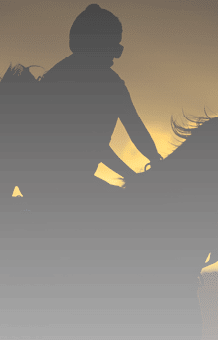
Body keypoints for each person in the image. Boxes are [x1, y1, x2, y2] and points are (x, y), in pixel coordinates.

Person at [24, 4, 162, 208]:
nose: (117, 54)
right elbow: (93, 143)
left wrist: (154, 160)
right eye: (114, 44)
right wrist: (134, 173)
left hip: (52, 182)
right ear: (97, 43)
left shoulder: (65, 75)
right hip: (57, 184)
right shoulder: (82, 80)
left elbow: (133, 127)